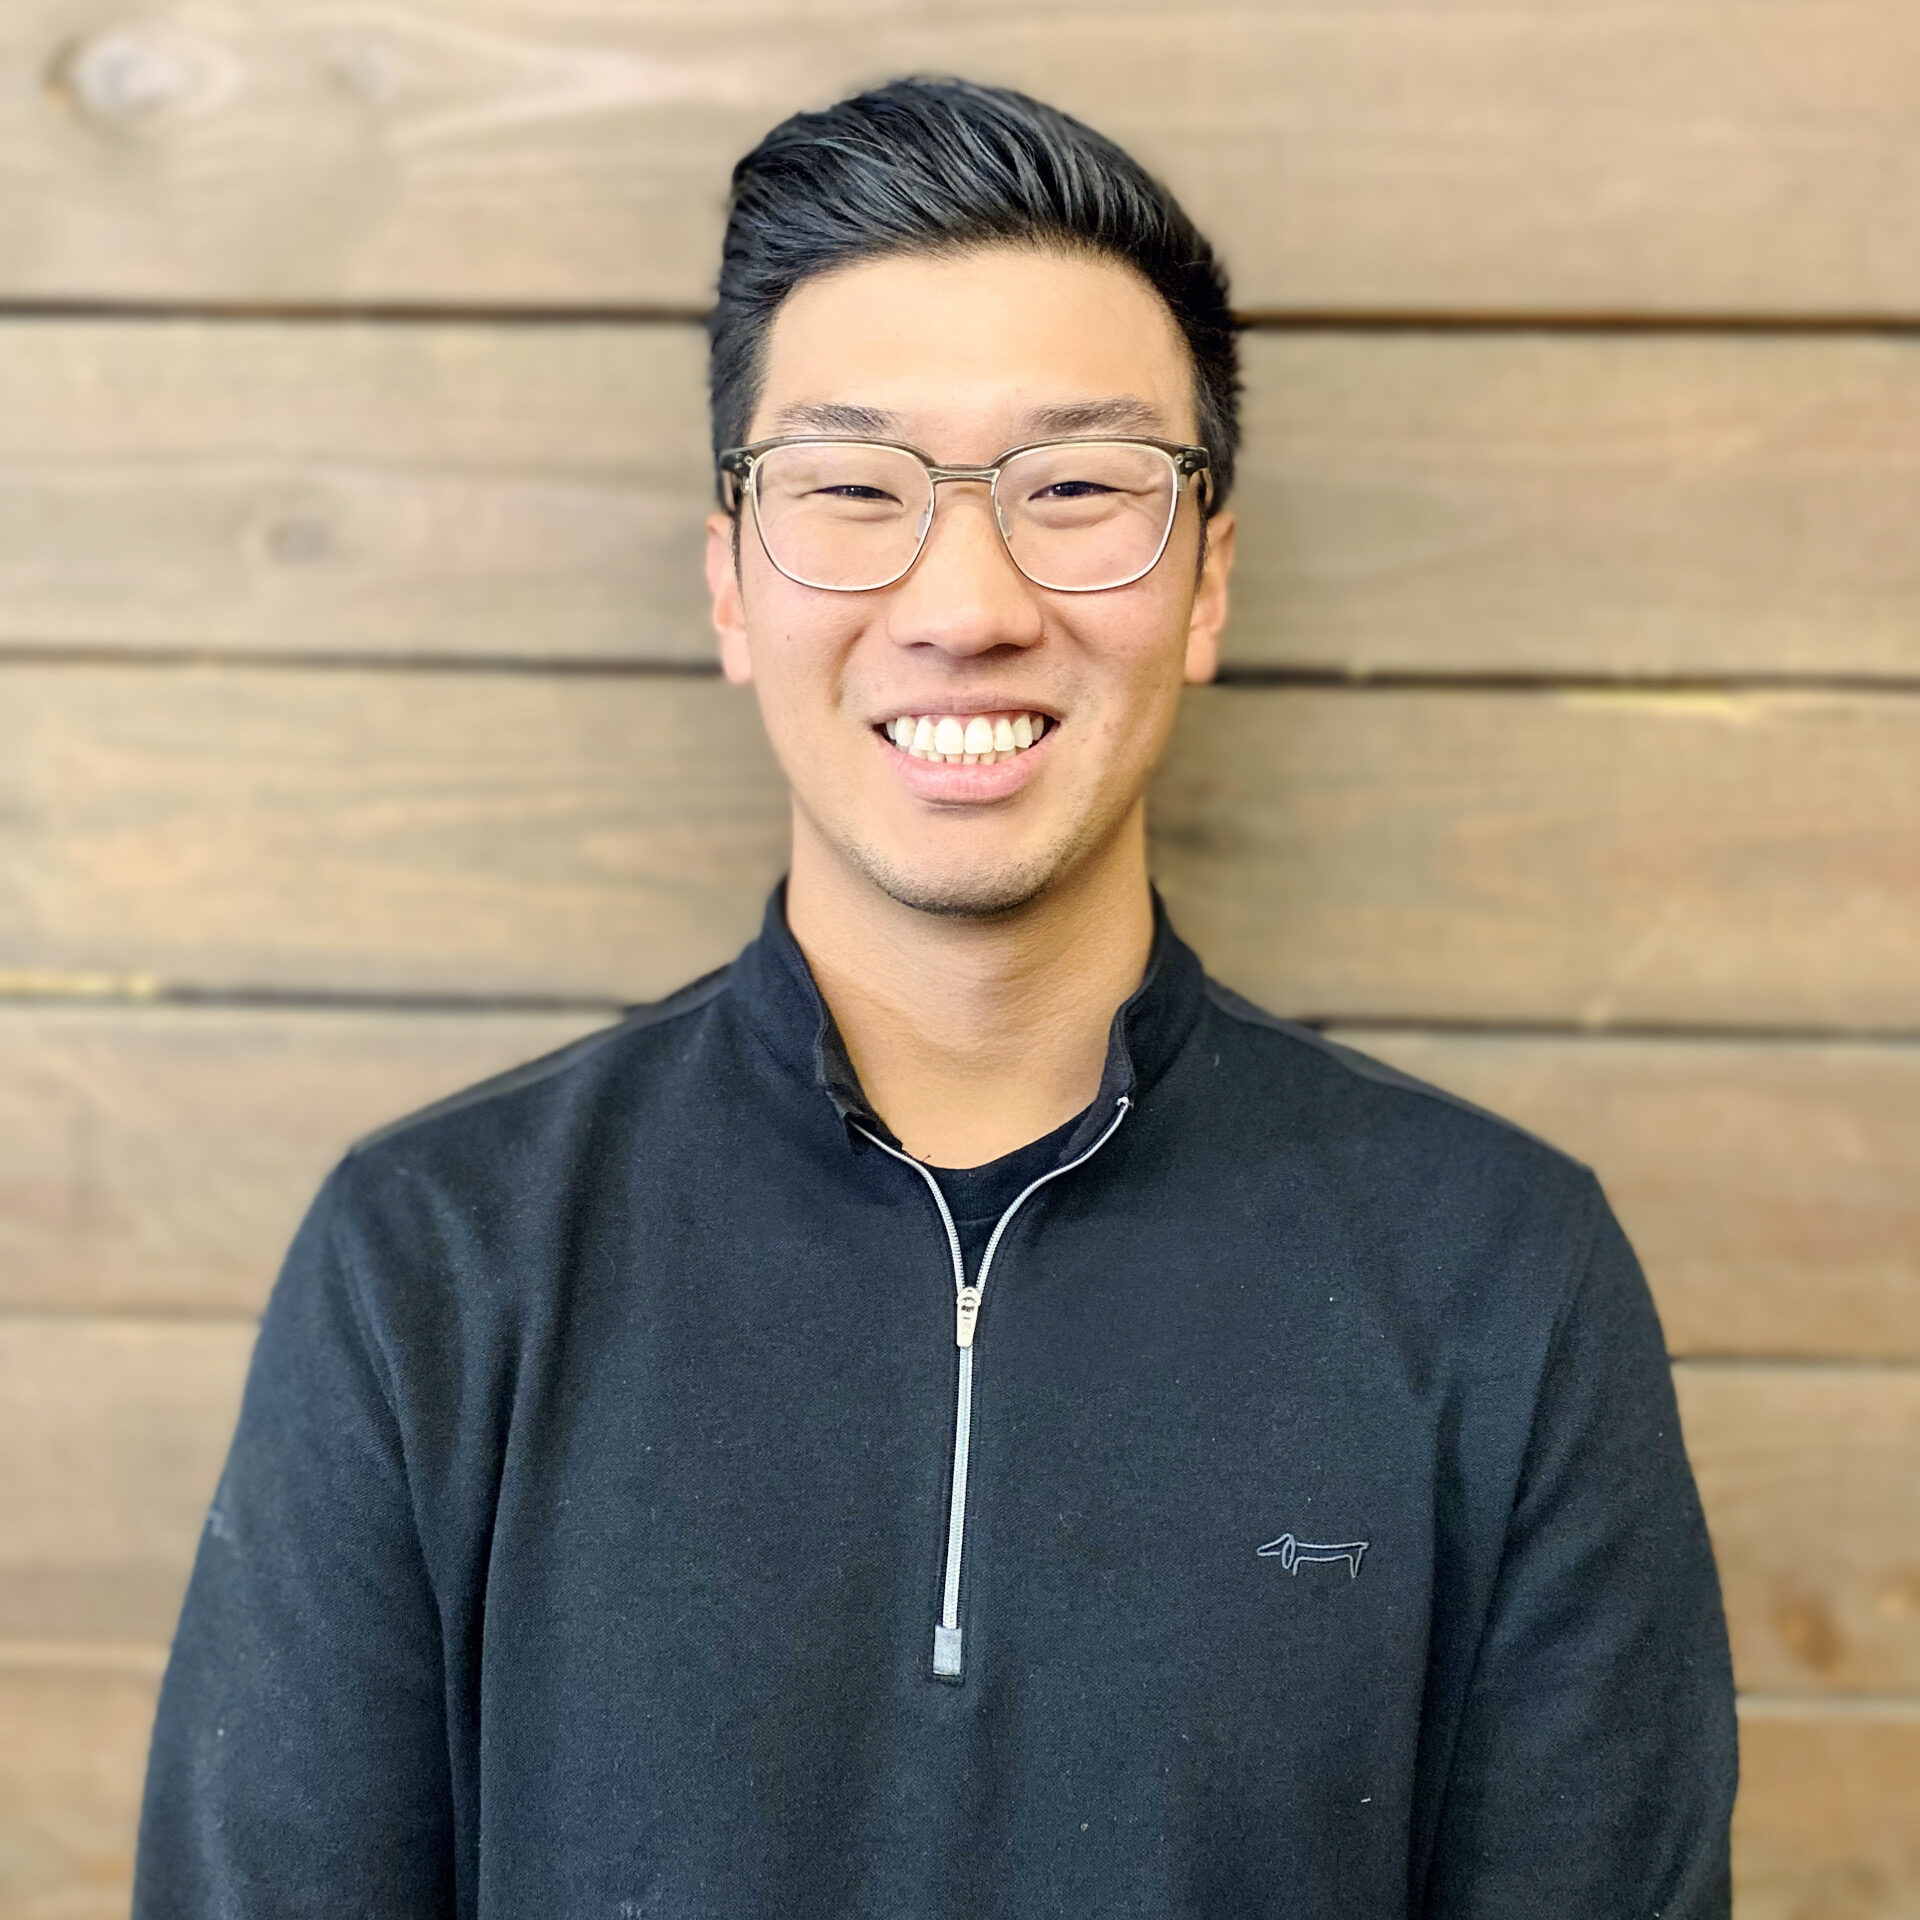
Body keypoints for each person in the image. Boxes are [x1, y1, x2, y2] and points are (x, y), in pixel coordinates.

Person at [134, 77, 1737, 1918]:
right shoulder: (435, 1266)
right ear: (732, 576)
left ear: (1207, 577)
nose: (963, 599)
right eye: (851, 489)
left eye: (1073, 488)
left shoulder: (1500, 1282)